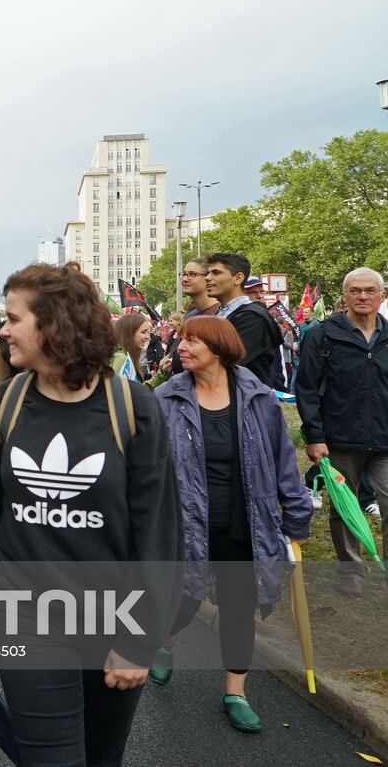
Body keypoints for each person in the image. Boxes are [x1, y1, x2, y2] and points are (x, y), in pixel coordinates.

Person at [0, 263, 181, 765]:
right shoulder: (2, 406)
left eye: (13, 319)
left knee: (102, 757)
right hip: (28, 618)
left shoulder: (134, 408)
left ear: (55, 324)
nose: (3, 329)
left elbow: (158, 530)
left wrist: (138, 637)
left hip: (114, 614)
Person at [151, 315, 311, 732]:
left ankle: (235, 692)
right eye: (180, 340)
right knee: (182, 603)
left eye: (191, 342)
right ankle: (165, 640)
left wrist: (296, 517)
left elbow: (282, 464)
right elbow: (147, 468)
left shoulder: (258, 398)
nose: (179, 348)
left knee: (240, 609)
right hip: (186, 525)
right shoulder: (165, 398)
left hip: (245, 523)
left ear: (218, 348)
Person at [295, 267, 388, 596]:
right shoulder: (323, 335)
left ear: (381, 296)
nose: (363, 296)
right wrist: (315, 437)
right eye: (356, 291)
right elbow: (306, 388)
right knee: (345, 506)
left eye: (370, 290)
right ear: (345, 296)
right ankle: (351, 571)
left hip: (385, 439)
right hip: (340, 437)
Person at [206, 253, 283, 389]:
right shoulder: (221, 314)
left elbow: (220, 363)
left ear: (238, 278)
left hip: (243, 403)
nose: (207, 278)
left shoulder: (252, 318)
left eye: (216, 273)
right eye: (208, 273)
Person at [165, 257, 219, 376]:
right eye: (183, 274)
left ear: (208, 277)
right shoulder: (189, 316)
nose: (185, 279)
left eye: (192, 274)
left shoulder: (219, 314)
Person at [112, 312, 152, 383]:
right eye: (143, 332)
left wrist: (161, 374)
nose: (148, 337)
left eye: (148, 332)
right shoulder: (120, 358)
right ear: (129, 333)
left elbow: (134, 391)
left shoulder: (129, 356)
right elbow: (119, 392)